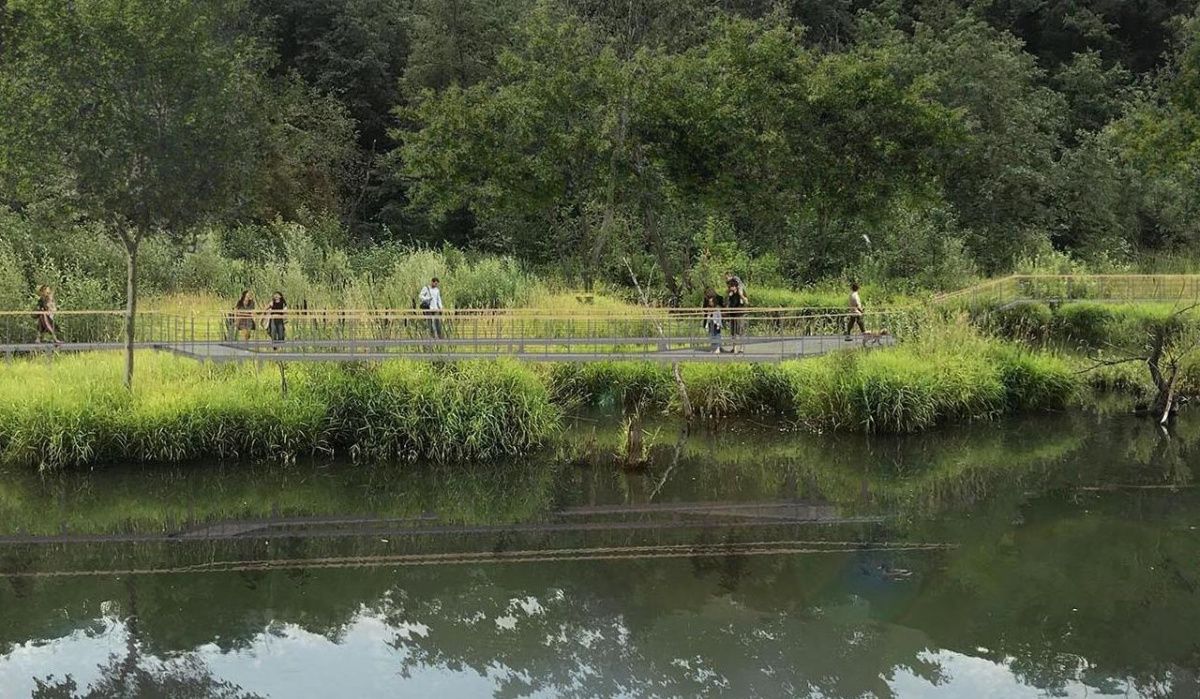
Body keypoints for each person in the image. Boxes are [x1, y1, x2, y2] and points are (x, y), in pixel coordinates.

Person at [725, 279, 746, 354]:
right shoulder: (730, 294)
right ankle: (734, 348)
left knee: (740, 331)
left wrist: (741, 295)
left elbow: (746, 301)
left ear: (735, 286)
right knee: (733, 332)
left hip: (740, 315)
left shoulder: (740, 292)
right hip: (732, 315)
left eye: (731, 286)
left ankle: (742, 348)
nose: (730, 288)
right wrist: (728, 296)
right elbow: (727, 304)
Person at [702, 288, 724, 354]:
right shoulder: (707, 301)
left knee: (717, 334)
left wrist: (719, 324)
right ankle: (713, 347)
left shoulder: (718, 300)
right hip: (710, 321)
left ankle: (717, 348)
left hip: (716, 322)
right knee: (711, 334)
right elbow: (704, 309)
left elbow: (721, 311)